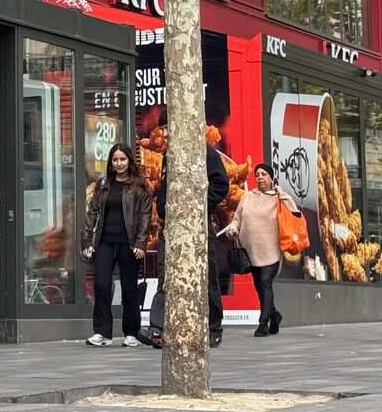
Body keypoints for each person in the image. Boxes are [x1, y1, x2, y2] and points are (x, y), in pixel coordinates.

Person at [153, 110, 230, 347]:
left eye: (166, 128)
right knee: (165, 274)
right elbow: (164, 187)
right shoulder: (168, 155)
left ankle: (213, 326)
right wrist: (164, 208)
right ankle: (159, 327)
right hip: (172, 225)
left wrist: (199, 206)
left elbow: (221, 183)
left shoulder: (205, 151)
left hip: (197, 223)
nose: (164, 134)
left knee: (206, 273)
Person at [81, 143, 154, 347]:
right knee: (102, 284)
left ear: (130, 160)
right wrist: (87, 239)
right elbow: (93, 213)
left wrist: (141, 242)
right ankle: (102, 333)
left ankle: (131, 332)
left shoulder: (140, 187)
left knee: (129, 287)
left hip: (129, 243)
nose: (119, 163)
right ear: (111, 163)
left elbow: (145, 217)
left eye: (123, 159)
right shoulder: (104, 184)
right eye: (115, 160)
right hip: (105, 241)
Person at [226, 163, 298, 337]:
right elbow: (237, 219)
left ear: (271, 178)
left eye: (264, 174)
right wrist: (232, 229)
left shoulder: (278, 198)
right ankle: (274, 315)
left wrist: (283, 194)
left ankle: (263, 324)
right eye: (257, 174)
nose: (259, 177)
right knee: (260, 287)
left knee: (265, 283)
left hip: (271, 251)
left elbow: (295, 212)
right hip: (250, 251)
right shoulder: (247, 197)